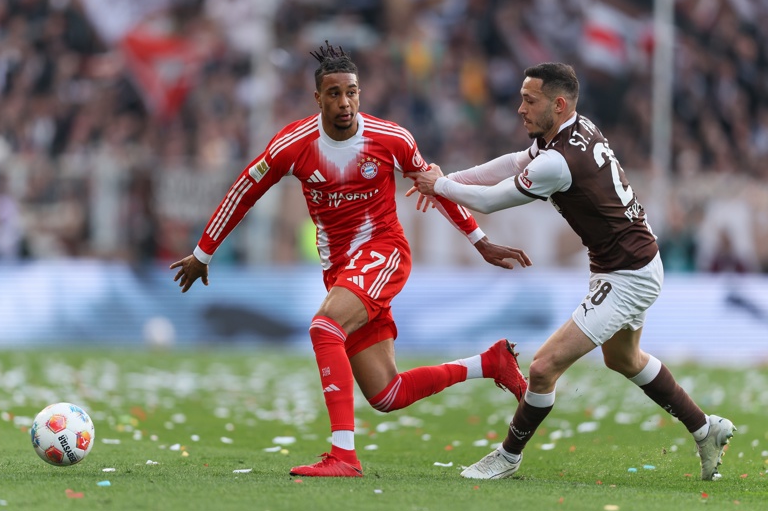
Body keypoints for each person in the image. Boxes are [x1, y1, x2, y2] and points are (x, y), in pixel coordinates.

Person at [170, 42, 532, 478]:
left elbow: (437, 187)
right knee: (387, 394)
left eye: (352, 92)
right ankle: (490, 363)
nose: (345, 102)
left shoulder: (391, 138)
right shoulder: (293, 144)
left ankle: (343, 456)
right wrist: (203, 253)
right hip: (342, 271)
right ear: (318, 98)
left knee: (324, 327)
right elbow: (244, 191)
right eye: (335, 93)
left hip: (384, 252)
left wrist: (480, 241)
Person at [406, 62, 735, 481]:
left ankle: (507, 457)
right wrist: (448, 179)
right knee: (624, 358)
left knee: (543, 368)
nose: (520, 109)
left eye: (530, 101)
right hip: (632, 261)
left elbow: (489, 201)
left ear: (558, 105)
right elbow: (512, 163)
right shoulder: (573, 130)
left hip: (628, 274)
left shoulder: (558, 162)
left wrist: (439, 185)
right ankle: (705, 429)